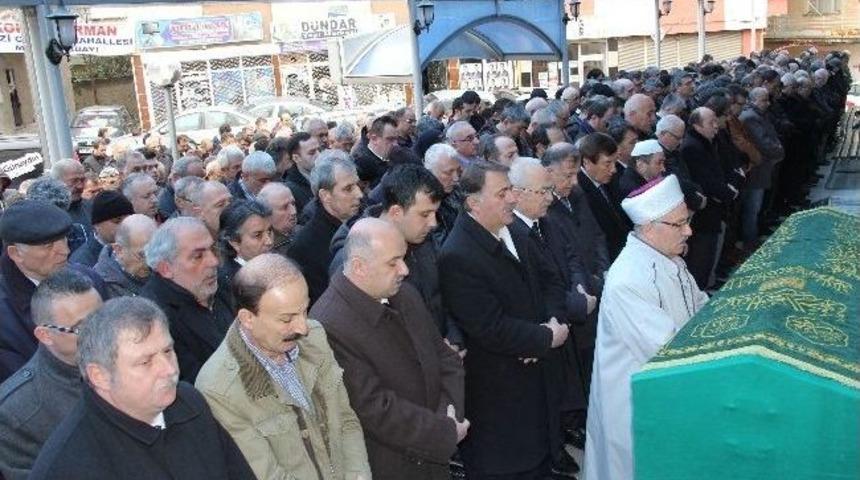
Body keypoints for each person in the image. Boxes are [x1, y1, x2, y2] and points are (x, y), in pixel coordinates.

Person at [438, 160, 569, 479]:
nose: (512, 198)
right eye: (503, 192)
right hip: (500, 402)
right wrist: (543, 338)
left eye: (511, 189)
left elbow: (552, 279)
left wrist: (552, 322)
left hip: (536, 385)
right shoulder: (457, 254)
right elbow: (488, 327)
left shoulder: (513, 229)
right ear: (474, 202)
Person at [28, 297, 256, 480]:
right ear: (100, 376)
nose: (169, 370)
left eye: (167, 351)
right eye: (145, 362)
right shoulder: (68, 466)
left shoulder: (189, 402)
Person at [313, 219, 466, 479]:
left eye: (403, 258)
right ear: (360, 267)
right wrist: (442, 431)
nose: (404, 270)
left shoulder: (405, 295)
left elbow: (446, 358)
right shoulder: (328, 325)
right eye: (393, 262)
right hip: (393, 466)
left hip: (433, 457)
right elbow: (375, 409)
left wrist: (448, 416)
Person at [196, 254, 372, 480]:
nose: (303, 327)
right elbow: (267, 475)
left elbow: (346, 420)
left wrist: (358, 475)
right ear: (248, 318)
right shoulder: (219, 389)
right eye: (287, 319)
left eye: (304, 310)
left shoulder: (315, 336)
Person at [583, 175, 708, 480]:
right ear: (649, 227)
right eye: (679, 224)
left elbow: (700, 305)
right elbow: (666, 351)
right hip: (638, 403)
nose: (689, 230)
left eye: (687, 220)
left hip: (669, 393)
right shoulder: (629, 279)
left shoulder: (670, 258)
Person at [507, 157, 589, 478]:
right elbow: (533, 290)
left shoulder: (546, 220)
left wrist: (580, 288)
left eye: (549, 191)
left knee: (560, 390)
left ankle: (557, 446)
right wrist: (571, 307)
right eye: (542, 191)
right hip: (541, 331)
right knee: (544, 401)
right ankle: (552, 454)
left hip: (561, 320)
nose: (550, 197)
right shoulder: (512, 232)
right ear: (518, 193)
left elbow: (569, 258)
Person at [0, 270, 102, 480]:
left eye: (102, 318)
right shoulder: (17, 412)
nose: (101, 332)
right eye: (81, 327)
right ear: (45, 335)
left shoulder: (132, 359)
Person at [0, 201, 106, 382]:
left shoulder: (90, 278)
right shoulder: (4, 315)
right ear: (16, 253)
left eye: (64, 238)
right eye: (48, 246)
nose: (65, 251)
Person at [140, 217, 233, 382]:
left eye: (213, 249)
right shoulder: (154, 320)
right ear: (166, 269)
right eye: (198, 256)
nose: (214, 261)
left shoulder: (223, 286)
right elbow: (197, 383)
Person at [289, 151, 363, 306]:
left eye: (358, 185)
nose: (360, 194)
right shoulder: (304, 247)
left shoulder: (365, 219)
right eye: (348, 188)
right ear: (325, 196)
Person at [681, 107, 740, 289]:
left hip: (715, 210)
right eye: (711, 123)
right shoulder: (692, 147)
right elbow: (705, 181)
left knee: (709, 257)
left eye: (716, 121)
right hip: (705, 215)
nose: (716, 126)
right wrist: (727, 192)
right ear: (697, 126)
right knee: (701, 261)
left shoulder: (708, 142)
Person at [577, 133, 632, 261]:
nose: (613, 169)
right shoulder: (579, 193)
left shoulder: (610, 181)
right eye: (607, 164)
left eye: (615, 162)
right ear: (586, 162)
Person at [94, 214, 158, 298]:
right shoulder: (100, 287)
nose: (151, 262)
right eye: (142, 255)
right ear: (119, 250)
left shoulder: (166, 269)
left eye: (155, 253)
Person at [216, 199, 274, 290]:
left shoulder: (277, 265)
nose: (269, 241)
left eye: (269, 231)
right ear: (234, 242)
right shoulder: (229, 285)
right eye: (258, 235)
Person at [69, 190, 135, 267]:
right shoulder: (81, 263)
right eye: (117, 221)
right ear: (97, 224)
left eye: (129, 220)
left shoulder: (137, 246)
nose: (125, 226)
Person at [352, 115, 399, 189]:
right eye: (390, 139)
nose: (396, 144)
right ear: (374, 139)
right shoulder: (360, 164)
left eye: (397, 139)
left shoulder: (397, 156)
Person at [257, 182, 299, 257]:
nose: (294, 212)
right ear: (267, 213)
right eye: (285, 207)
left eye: (293, 204)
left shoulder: (305, 232)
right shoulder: (264, 249)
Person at [283, 132, 320, 217]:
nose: (318, 155)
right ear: (296, 158)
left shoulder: (327, 175)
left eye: (318, 149)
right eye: (312, 153)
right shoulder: (290, 190)